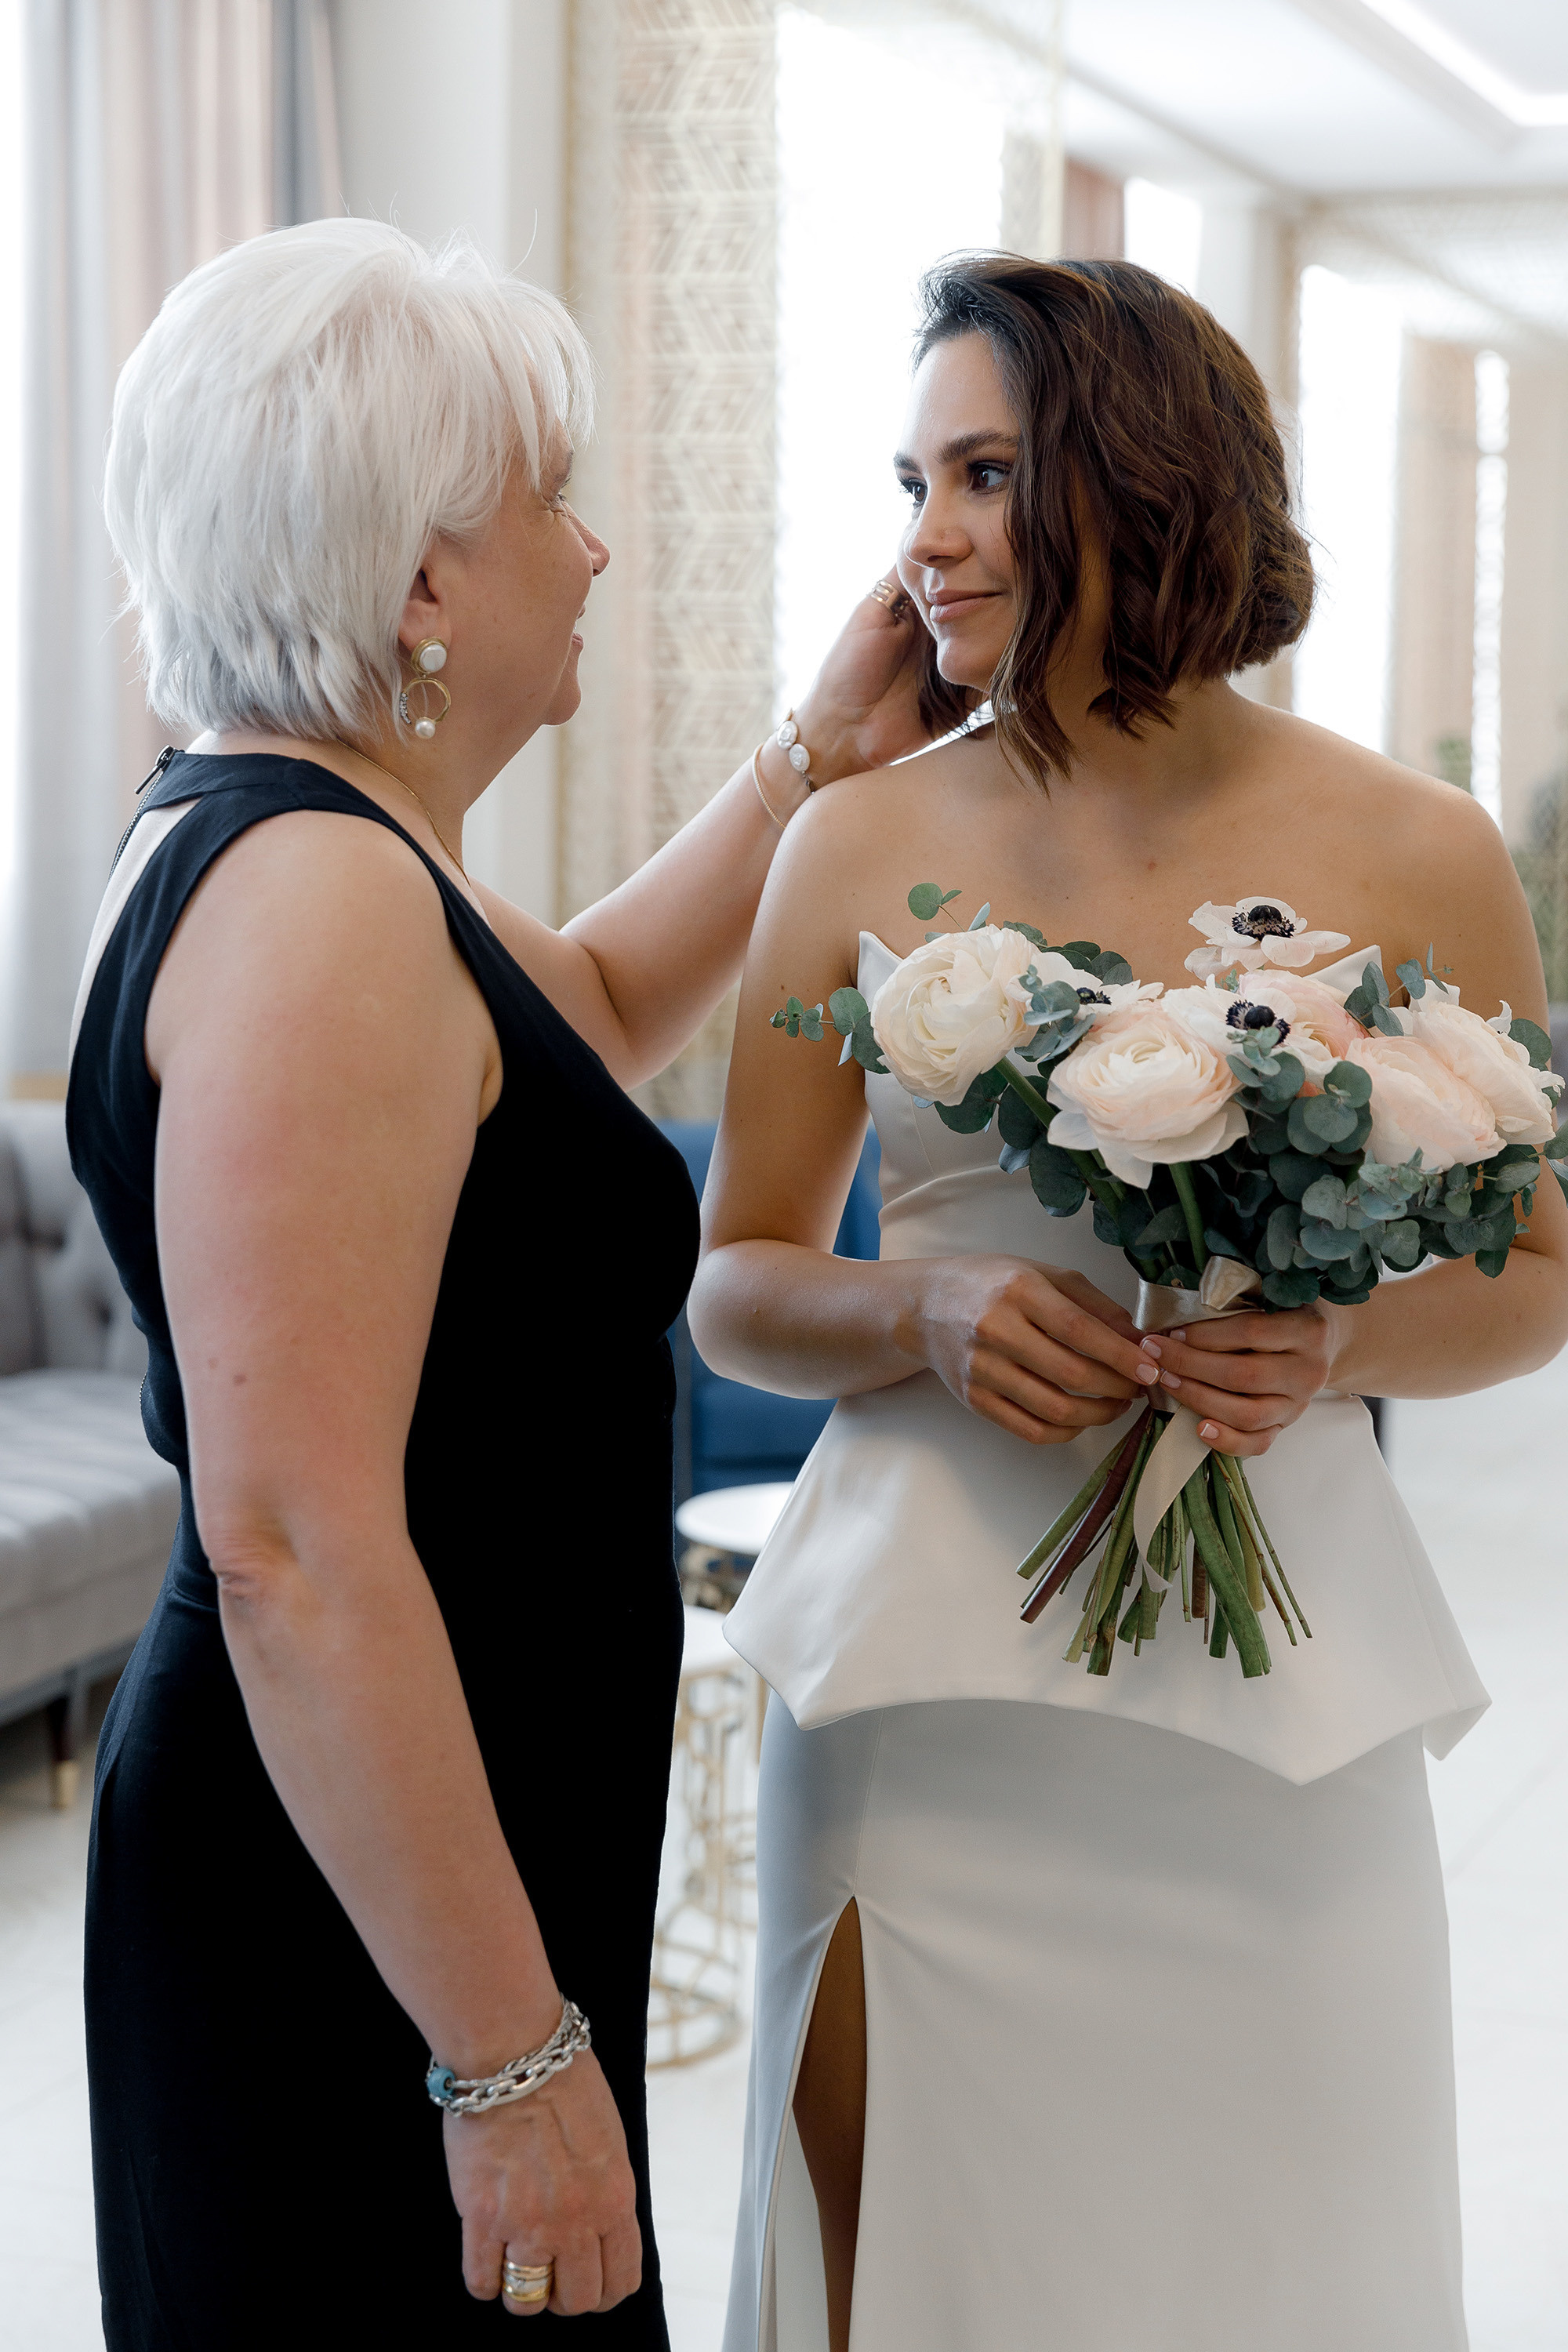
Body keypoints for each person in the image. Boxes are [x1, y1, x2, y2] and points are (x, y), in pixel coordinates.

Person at [693, 255, 1568, 2352]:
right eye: (914, 480)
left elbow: (1537, 1270)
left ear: (1147, 477)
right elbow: (735, 1285)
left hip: (1278, 1741)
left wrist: (1339, 1345)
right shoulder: (852, 846)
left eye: (987, 474)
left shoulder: (1423, 847)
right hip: (916, 1708)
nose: (929, 536)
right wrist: (920, 1318)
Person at [72, 217, 927, 2349]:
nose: (597, 548)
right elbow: (290, 1545)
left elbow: (604, 1003)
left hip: (408, 1843)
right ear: (423, 583)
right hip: (355, 1896)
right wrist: (508, 2062)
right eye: (553, 496)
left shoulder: (316, 847)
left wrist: (812, 751)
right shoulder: (318, 900)